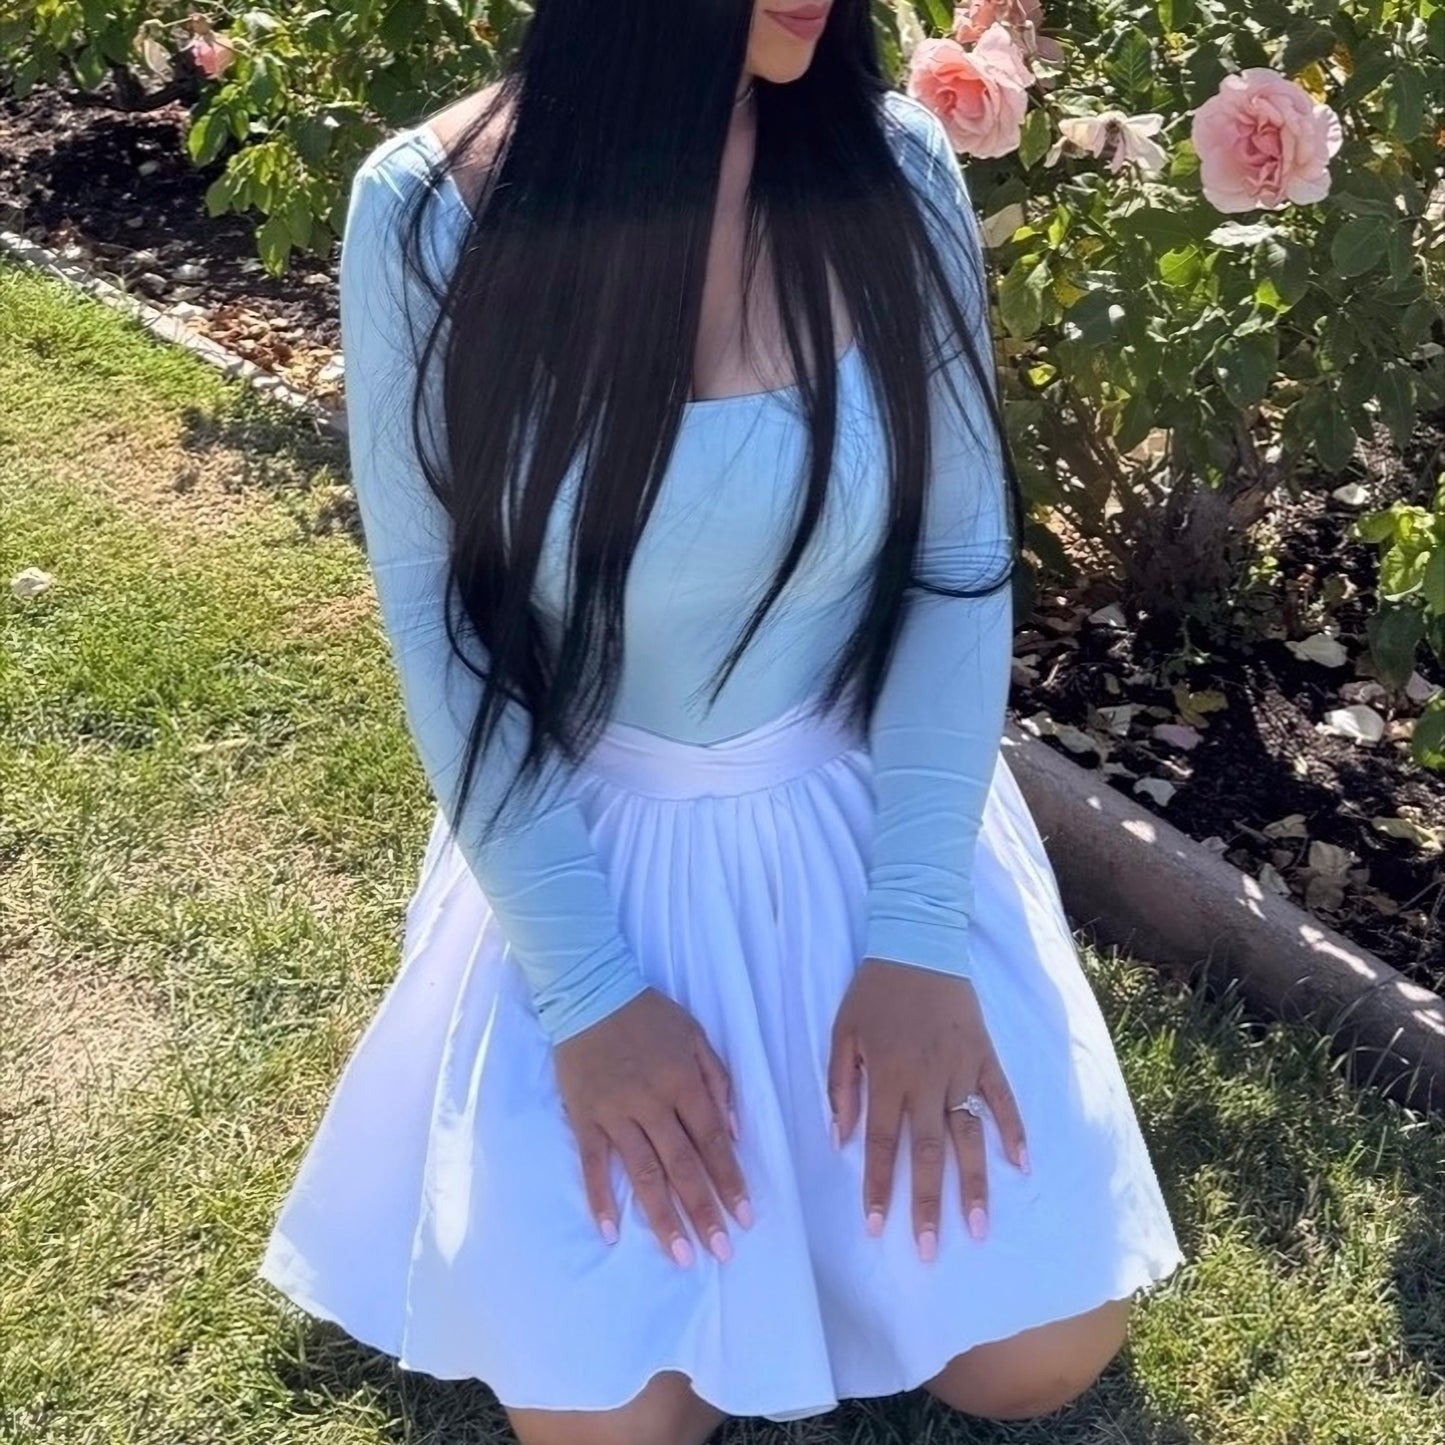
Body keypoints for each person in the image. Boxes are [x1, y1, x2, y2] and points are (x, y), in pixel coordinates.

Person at [257, 1, 1186, 1440]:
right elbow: (447, 631)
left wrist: (916, 937)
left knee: (1033, 1362)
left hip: (867, 829)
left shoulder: (891, 167)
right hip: (593, 853)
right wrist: (588, 996)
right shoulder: (429, 214)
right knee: (613, 1425)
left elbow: (956, 560)